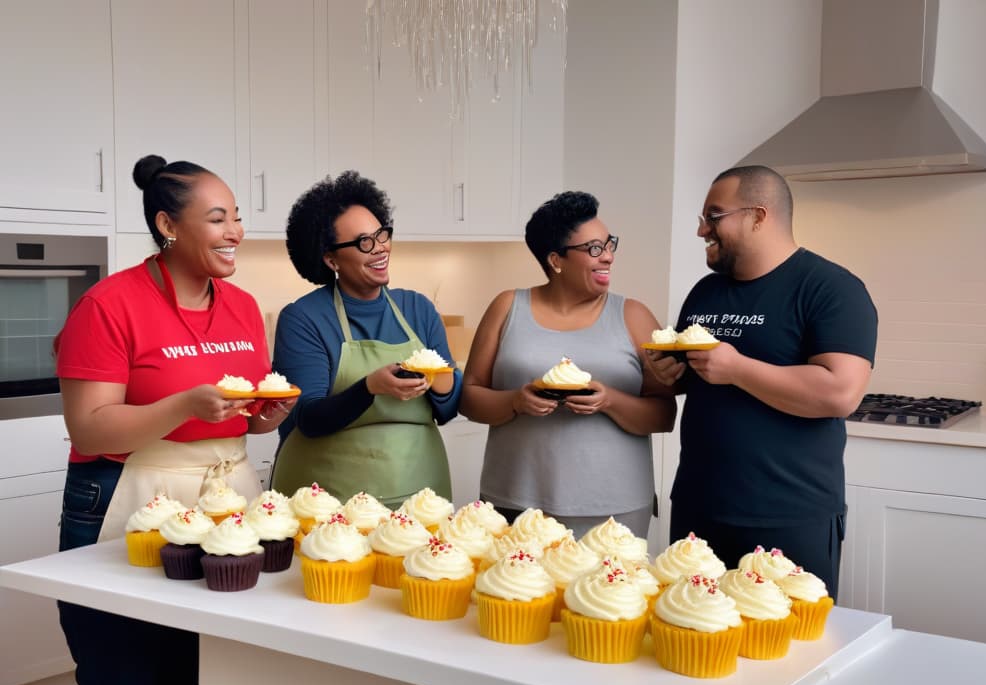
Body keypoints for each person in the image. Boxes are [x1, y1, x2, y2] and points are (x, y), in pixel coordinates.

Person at [54, 154, 293, 685]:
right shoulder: (110, 305)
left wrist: (262, 415)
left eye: (237, 217)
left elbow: (240, 404)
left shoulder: (241, 306)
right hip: (122, 502)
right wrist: (181, 403)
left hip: (220, 509)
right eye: (218, 218)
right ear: (168, 224)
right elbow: (88, 424)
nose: (235, 230)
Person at [647, 165, 877, 597]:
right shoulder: (705, 292)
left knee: (791, 656)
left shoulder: (831, 288)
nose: (701, 231)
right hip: (699, 510)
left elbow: (841, 392)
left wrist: (737, 368)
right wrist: (670, 375)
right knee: (691, 646)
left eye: (713, 216)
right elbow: (699, 377)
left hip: (788, 518)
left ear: (758, 215)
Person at [460, 191, 677, 539]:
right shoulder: (506, 306)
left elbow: (664, 416)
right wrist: (516, 401)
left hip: (614, 510)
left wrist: (609, 401)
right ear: (556, 260)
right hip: (515, 500)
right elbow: (469, 398)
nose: (607, 257)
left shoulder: (634, 316)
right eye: (593, 249)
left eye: (609, 245)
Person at [270, 171, 461, 506]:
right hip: (330, 502)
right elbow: (309, 419)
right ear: (330, 259)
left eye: (381, 234)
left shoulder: (418, 309)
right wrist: (369, 387)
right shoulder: (304, 318)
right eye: (363, 243)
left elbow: (446, 411)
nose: (380, 249)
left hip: (420, 497)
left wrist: (443, 379)